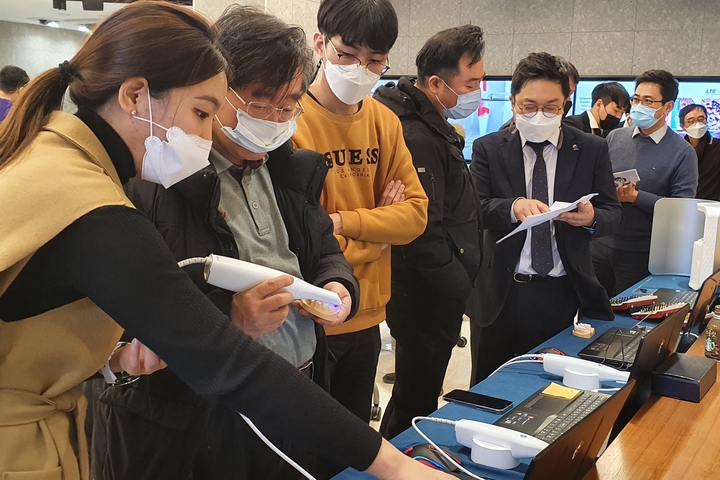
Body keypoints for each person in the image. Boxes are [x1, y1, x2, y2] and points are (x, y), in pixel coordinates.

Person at [0, 3, 452, 480]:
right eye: (202, 112)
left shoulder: (52, 152)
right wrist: (395, 466)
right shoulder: (94, 205)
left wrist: (109, 356)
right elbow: (225, 357)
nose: (205, 133)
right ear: (135, 96)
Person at [91, 6, 358, 479]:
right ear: (217, 91)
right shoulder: (159, 174)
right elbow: (133, 311)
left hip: (298, 389)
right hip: (205, 414)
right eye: (260, 103)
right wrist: (230, 318)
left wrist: (337, 286)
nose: (275, 119)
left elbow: (325, 251)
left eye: (288, 106)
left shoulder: (290, 170)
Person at [293, 0, 428, 423]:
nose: (359, 69)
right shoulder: (291, 121)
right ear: (320, 44)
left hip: (368, 315)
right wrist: (380, 237)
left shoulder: (385, 122)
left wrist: (344, 222)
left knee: (353, 439)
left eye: (374, 61)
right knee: (308, 440)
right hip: (311, 314)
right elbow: (305, 241)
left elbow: (415, 215)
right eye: (347, 55)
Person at [469, 52, 622, 384]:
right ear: (513, 103)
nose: (539, 115)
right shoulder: (489, 148)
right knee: (489, 387)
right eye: (529, 106)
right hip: (501, 292)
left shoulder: (591, 149)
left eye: (550, 107)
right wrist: (512, 207)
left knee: (547, 390)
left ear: (565, 105)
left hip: (560, 293)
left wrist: (592, 218)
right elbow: (473, 209)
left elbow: (612, 212)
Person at [372, 25, 484, 439]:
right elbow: (422, 229)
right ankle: (403, 458)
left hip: (433, 288)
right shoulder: (417, 134)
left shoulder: (432, 124)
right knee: (415, 397)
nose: (476, 92)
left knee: (415, 392)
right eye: (469, 83)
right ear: (437, 83)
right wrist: (456, 281)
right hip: (424, 291)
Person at [592, 70, 698, 296]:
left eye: (648, 101)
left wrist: (636, 197)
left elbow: (681, 208)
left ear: (668, 106)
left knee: (627, 313)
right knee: (589, 308)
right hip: (600, 243)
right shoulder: (615, 137)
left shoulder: (682, 152)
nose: (639, 106)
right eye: (636, 99)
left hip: (641, 253)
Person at [679, 103, 720, 201]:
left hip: (712, 206)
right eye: (691, 121)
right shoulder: (678, 149)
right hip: (683, 204)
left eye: (701, 119)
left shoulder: (717, 147)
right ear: (683, 126)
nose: (697, 124)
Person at [564, 81, 630, 137]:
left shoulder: (611, 134)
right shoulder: (572, 125)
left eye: (622, 113)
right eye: (616, 111)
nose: (619, 117)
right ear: (599, 104)